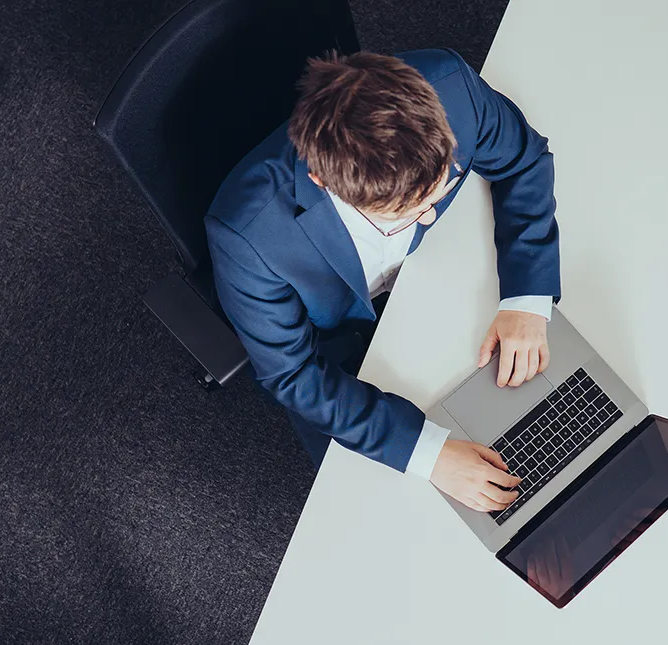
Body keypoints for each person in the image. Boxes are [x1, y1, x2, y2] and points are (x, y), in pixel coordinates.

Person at [205, 48, 559, 514]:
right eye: (406, 214)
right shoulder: (247, 238)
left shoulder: (451, 86)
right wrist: (429, 455)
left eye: (440, 189)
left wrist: (527, 298)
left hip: (436, 281)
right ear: (323, 181)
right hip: (337, 336)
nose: (428, 214)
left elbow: (523, 159)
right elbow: (294, 374)